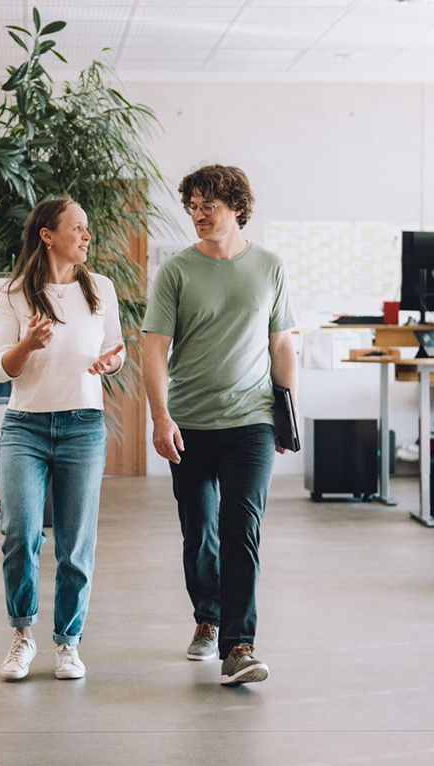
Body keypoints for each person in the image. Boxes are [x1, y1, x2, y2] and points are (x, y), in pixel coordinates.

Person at [141, 164, 297, 687]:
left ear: (237, 207)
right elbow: (154, 348)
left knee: (241, 529)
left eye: (209, 205)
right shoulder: (177, 271)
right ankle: (206, 617)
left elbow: (281, 344)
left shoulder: (269, 267)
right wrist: (161, 417)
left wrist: (285, 414)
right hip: (189, 422)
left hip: (250, 419)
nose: (198, 215)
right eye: (193, 206)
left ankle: (239, 644)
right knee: (200, 531)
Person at [0, 197, 125, 681]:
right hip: (25, 425)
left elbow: (116, 348)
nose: (87, 236)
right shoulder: (14, 294)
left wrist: (112, 361)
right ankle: (21, 636)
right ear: (48, 235)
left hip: (83, 426)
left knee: (75, 543)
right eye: (78, 228)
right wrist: (27, 344)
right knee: (20, 534)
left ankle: (68, 643)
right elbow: (0, 369)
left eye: (88, 229)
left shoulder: (100, 289)